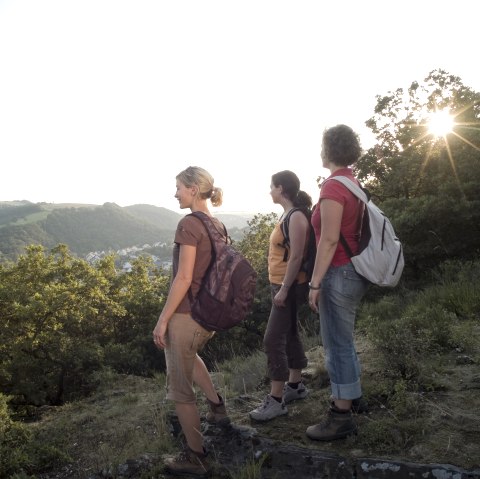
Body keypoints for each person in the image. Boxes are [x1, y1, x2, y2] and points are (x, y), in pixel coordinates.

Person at [152, 166, 229, 477]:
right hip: (208, 315)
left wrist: (162, 320)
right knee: (190, 356)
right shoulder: (218, 224)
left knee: (180, 390)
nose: (175, 194)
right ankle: (217, 407)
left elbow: (183, 277)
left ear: (194, 189)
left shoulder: (188, 224)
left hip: (185, 316)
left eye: (179, 188)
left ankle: (196, 457)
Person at [306, 124, 370, 441]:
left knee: (336, 345)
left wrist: (314, 284)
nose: (320, 151)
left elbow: (329, 241)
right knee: (344, 341)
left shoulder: (333, 187)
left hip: (338, 274)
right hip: (354, 272)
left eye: (322, 146)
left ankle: (341, 415)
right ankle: (352, 397)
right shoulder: (353, 183)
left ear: (328, 150)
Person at [249, 170, 312, 422]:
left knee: (272, 339)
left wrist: (285, 288)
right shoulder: (288, 215)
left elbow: (296, 256)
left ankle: (276, 400)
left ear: (282, 189)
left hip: (290, 285)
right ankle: (295, 385)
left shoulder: (296, 217)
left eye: (272, 187)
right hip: (283, 284)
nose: (270, 191)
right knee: (290, 334)